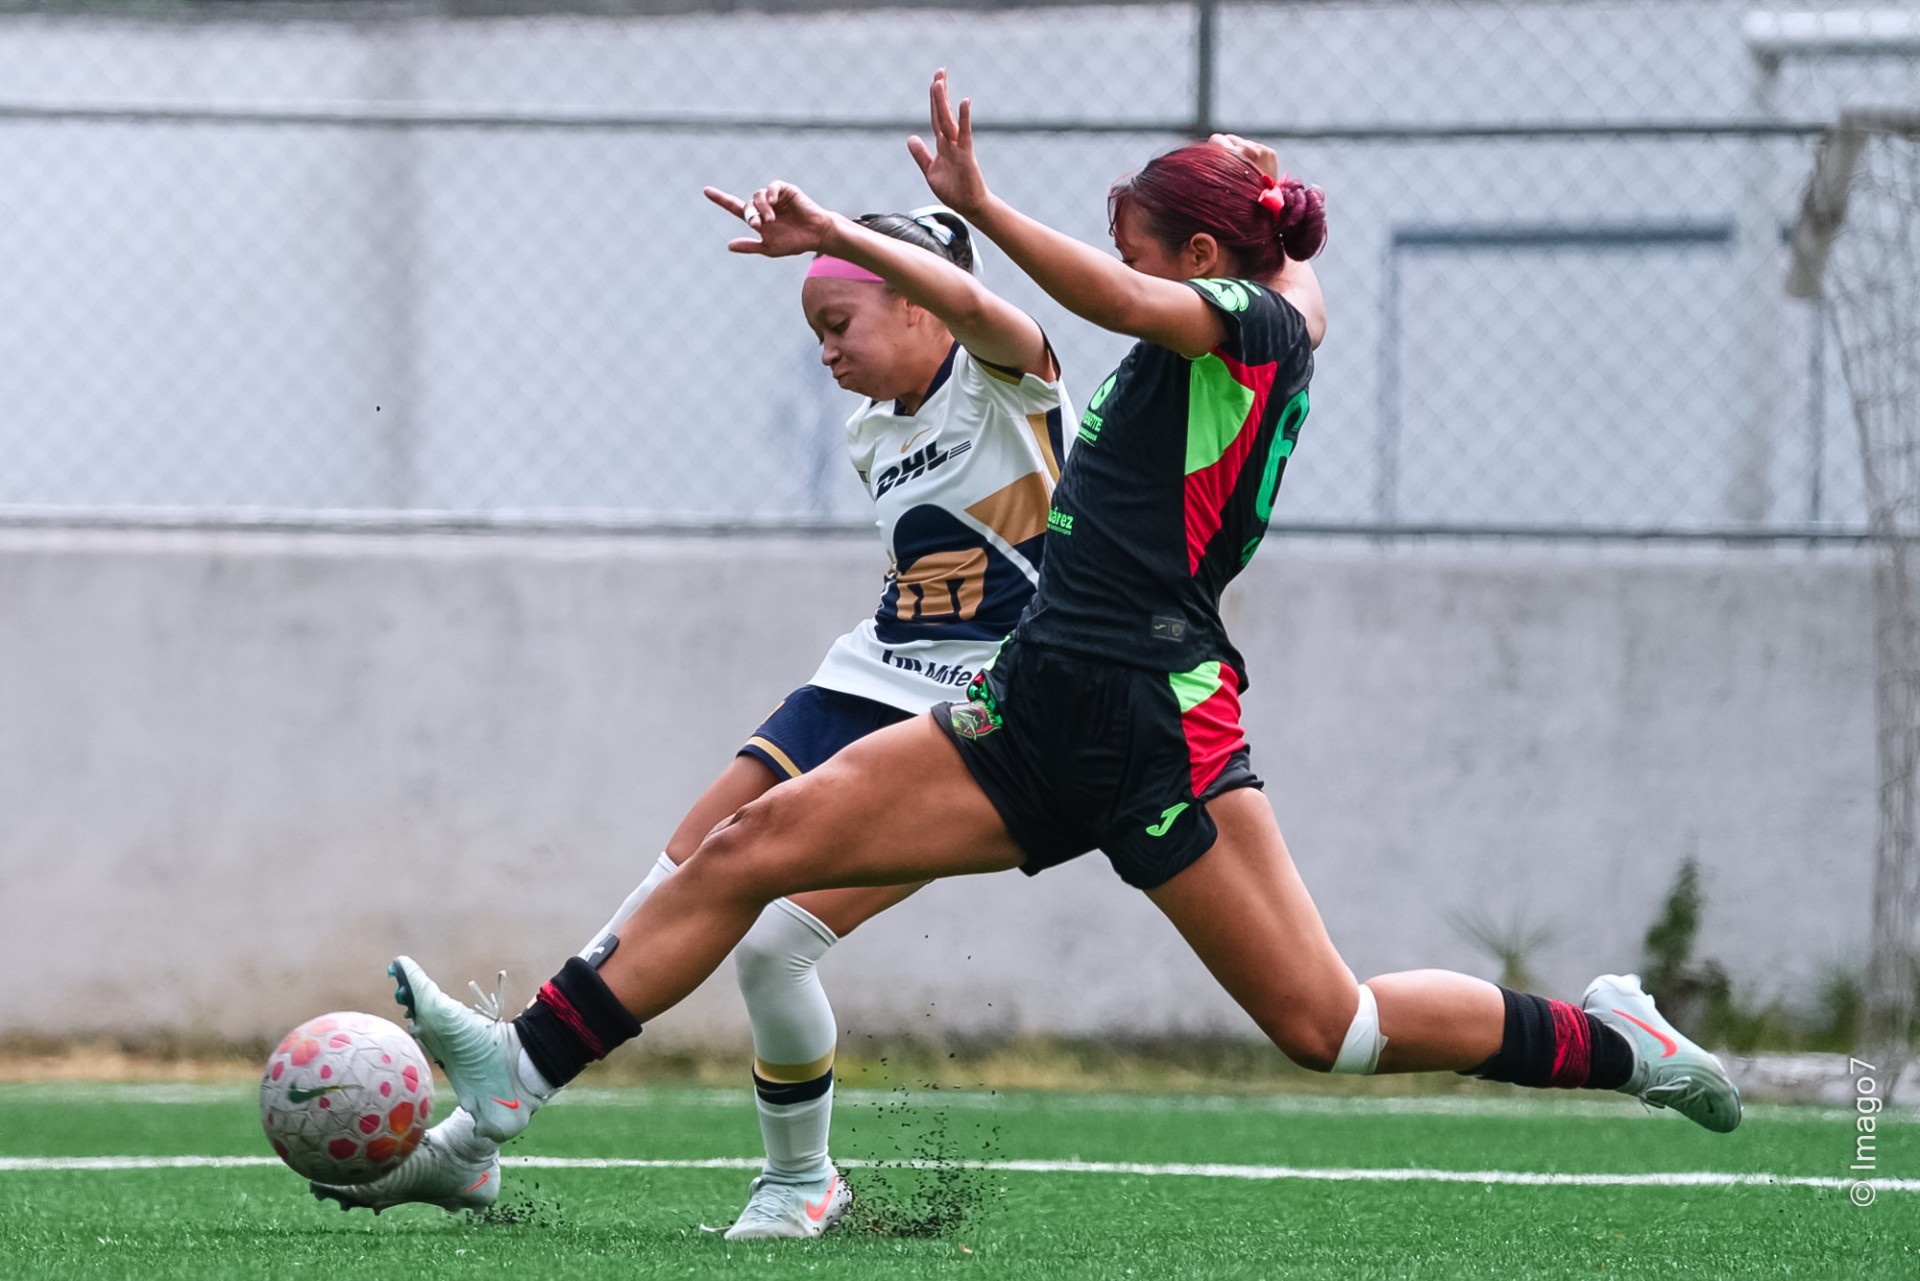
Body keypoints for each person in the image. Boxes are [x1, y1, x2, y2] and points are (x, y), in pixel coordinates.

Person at [388, 69, 1740, 1214]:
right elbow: (1278, 270)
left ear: (1200, 264)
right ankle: (519, 1073)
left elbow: (1132, 302)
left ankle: (1614, 1041)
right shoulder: (1272, 306)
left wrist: (971, 210)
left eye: (1144, 248)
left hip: (1153, 710)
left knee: (1331, 1027)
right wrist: (1265, 192)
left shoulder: (1242, 328)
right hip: (1040, 699)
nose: (1129, 270)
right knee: (751, 850)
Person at [315, 196, 1072, 1239]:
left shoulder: (1005, 384)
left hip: (979, 702)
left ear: (918, 303)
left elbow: (987, 313)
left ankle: (798, 1181)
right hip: (872, 670)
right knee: (686, 863)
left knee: (773, 947)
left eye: (838, 325)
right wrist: (845, 262)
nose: (824, 353)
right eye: (816, 333)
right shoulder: (872, 428)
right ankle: (481, 1127)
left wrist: (845, 238)